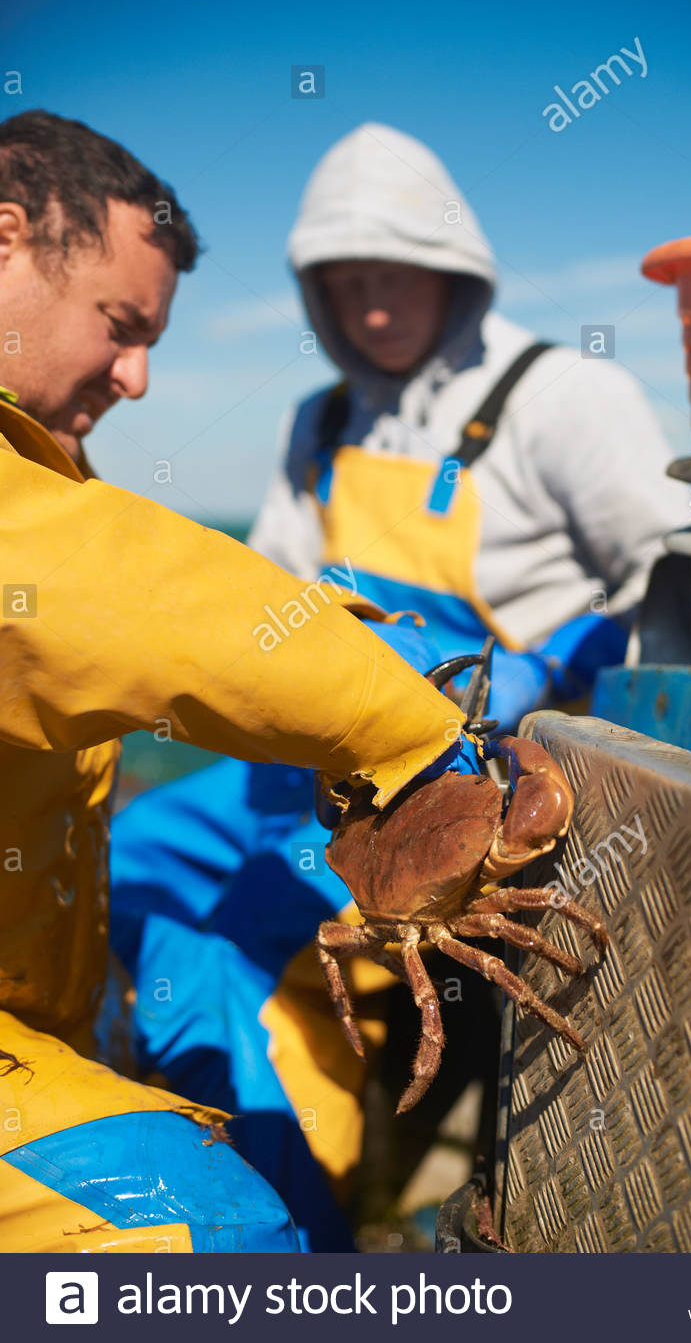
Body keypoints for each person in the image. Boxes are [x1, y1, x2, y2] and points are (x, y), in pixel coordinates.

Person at [110, 123, 691, 1245]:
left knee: (236, 951)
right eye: (345, 284)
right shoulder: (316, 422)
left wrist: (553, 673)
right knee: (128, 854)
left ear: (455, 269)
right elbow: (268, 606)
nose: (373, 309)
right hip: (327, 774)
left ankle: (286, 1228)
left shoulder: (562, 394)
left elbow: (670, 577)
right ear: (316, 296)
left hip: (471, 774)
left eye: (397, 276)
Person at [0, 110, 524, 1253]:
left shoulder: (546, 396)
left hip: (446, 706)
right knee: (204, 1223)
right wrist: (412, 734)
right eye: (119, 325)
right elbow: (169, 603)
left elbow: (195, 601)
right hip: (378, 724)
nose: (138, 379)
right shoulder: (56, 517)